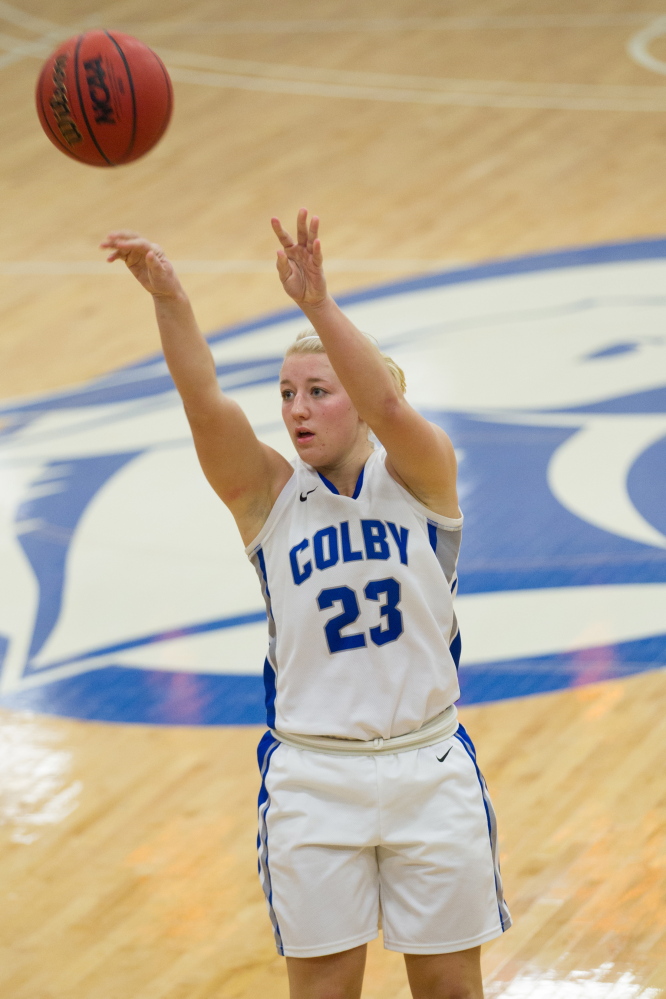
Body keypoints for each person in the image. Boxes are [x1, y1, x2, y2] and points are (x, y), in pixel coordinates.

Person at [101, 210, 510, 999]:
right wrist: (170, 300)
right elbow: (205, 405)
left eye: (318, 392)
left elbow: (390, 413)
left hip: (428, 765)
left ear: (361, 397)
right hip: (315, 777)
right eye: (287, 393)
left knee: (455, 992)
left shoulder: (423, 478)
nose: (295, 409)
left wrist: (317, 306)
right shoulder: (268, 498)